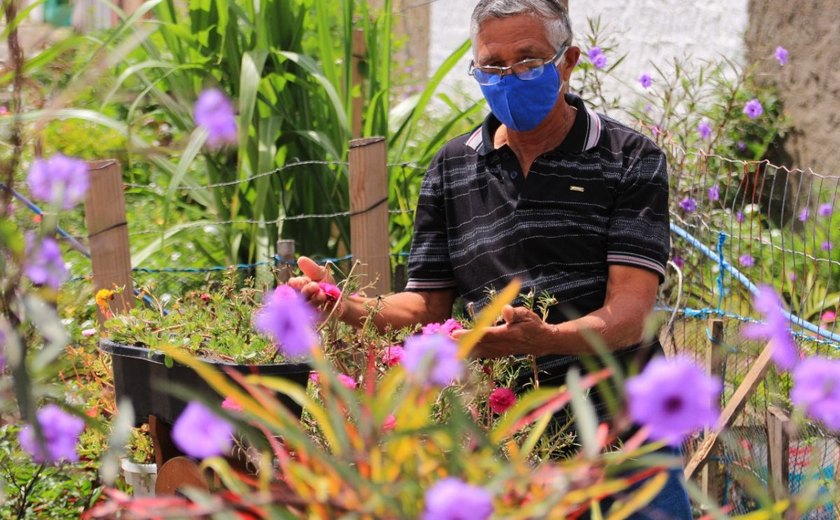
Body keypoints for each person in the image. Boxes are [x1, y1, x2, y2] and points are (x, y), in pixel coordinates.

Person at [290, 1, 690, 517]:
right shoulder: (452, 167)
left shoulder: (627, 157)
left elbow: (631, 315)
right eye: (493, 65)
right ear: (475, 71)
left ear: (567, 62)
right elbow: (427, 304)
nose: (509, 76)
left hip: (624, 427)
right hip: (509, 430)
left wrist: (545, 340)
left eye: (528, 60)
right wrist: (343, 303)